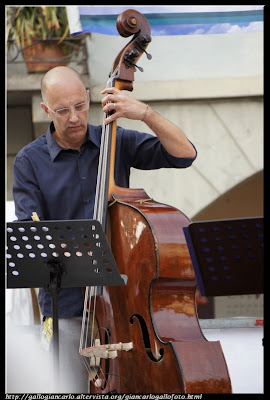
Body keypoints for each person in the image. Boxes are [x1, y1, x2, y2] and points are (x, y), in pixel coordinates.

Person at [12, 66, 197, 392]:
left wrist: (145, 113)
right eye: (62, 110)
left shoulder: (117, 141)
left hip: (123, 306)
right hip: (64, 309)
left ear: (88, 98)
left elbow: (185, 154)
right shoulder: (29, 162)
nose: (73, 117)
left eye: (79, 106)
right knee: (62, 391)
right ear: (46, 110)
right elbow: (32, 235)